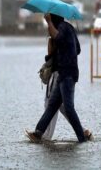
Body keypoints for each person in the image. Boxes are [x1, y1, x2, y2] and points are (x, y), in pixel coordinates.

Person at [26, 13, 88, 143]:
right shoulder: (69, 28)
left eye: (50, 19)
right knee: (52, 105)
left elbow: (58, 37)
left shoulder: (62, 28)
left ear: (54, 19)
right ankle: (38, 133)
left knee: (69, 108)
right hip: (64, 73)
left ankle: (82, 137)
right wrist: (65, 49)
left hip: (67, 74)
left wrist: (48, 22)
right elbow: (78, 49)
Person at [42, 37, 93, 141]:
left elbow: (50, 55)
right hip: (64, 74)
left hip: (58, 75)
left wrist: (50, 41)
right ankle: (83, 131)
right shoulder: (65, 37)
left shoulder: (57, 37)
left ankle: (46, 135)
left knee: (51, 104)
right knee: (62, 107)